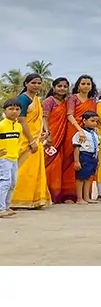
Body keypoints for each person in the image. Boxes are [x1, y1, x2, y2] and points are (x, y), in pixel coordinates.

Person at [10, 74, 51, 210]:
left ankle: (34, 199)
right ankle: (17, 199)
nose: (36, 85)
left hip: (36, 138)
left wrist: (44, 132)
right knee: (23, 171)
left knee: (34, 171)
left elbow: (38, 119)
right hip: (26, 139)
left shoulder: (37, 100)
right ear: (26, 84)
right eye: (33, 82)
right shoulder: (23, 99)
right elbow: (22, 121)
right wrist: (31, 140)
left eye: (39, 83)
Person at [62, 75, 99, 203]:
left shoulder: (92, 101)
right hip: (74, 131)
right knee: (71, 162)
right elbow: (69, 115)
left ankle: (85, 196)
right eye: (83, 83)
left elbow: (94, 118)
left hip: (89, 133)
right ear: (78, 85)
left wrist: (95, 128)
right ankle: (69, 195)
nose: (86, 86)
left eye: (88, 84)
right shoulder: (73, 98)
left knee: (86, 166)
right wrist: (79, 129)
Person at [42, 77, 71, 204]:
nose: (62, 89)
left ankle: (56, 196)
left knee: (58, 166)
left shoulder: (66, 102)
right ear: (54, 88)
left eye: (65, 86)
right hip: (51, 137)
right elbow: (44, 118)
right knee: (49, 165)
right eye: (59, 86)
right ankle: (46, 194)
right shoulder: (49, 101)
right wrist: (47, 134)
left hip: (62, 138)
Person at [0, 99, 24, 218]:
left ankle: (6, 205)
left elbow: (18, 141)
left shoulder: (19, 126)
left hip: (14, 158)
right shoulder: (1, 125)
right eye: (11, 109)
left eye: (17, 109)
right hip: (3, 158)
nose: (14, 112)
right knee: (5, 182)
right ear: (4, 110)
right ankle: (1, 208)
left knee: (13, 183)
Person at [72, 110, 100, 205]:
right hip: (84, 156)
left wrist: (97, 159)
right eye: (92, 121)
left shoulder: (95, 133)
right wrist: (77, 161)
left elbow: (98, 147)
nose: (95, 123)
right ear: (84, 120)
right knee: (80, 178)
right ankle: (79, 198)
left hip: (93, 157)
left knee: (88, 177)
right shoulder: (80, 133)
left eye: (96, 121)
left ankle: (86, 197)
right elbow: (76, 147)